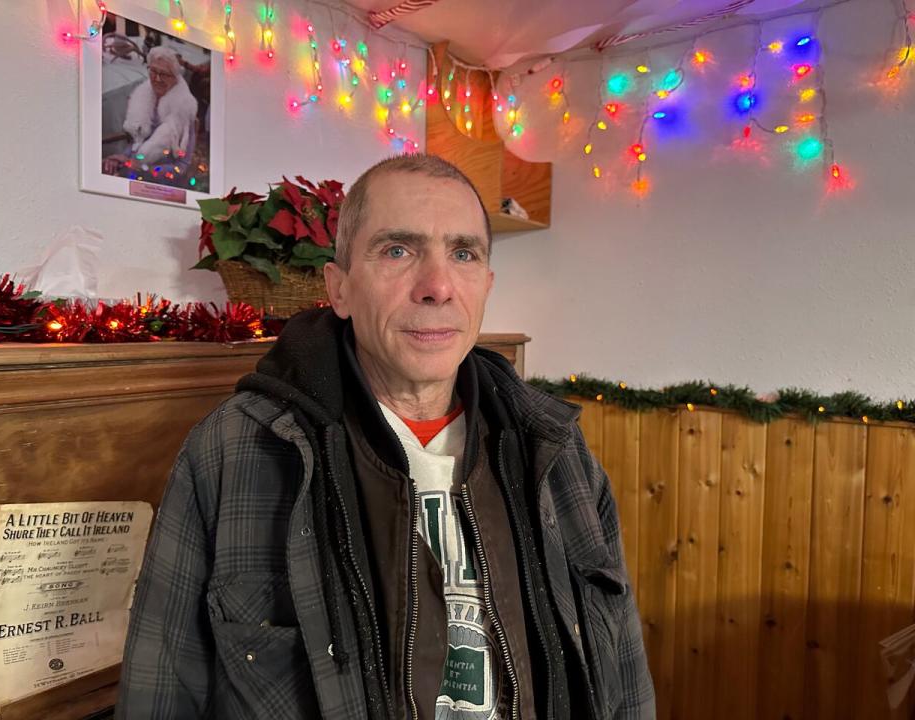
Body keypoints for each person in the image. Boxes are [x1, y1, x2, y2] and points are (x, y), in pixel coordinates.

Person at [115, 154, 655, 719]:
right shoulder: (235, 452)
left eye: (463, 253)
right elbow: (161, 688)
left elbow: (622, 676)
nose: (438, 286)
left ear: (486, 287)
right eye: (398, 250)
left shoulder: (554, 449)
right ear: (340, 288)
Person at [102, 46, 197, 176]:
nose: (157, 79)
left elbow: (181, 167)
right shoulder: (142, 97)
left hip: (161, 183)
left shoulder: (184, 110)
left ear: (175, 77)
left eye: (163, 74)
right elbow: (137, 141)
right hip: (132, 169)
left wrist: (142, 168)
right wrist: (119, 159)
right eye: (153, 71)